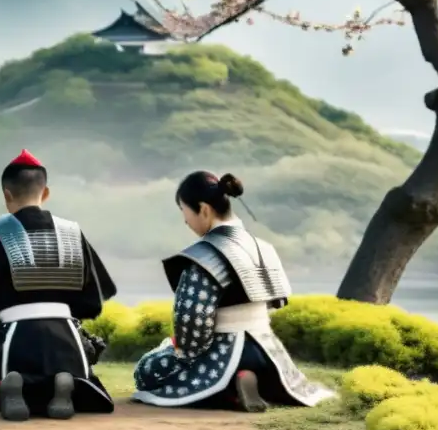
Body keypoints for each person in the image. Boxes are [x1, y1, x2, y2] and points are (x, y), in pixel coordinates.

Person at [131, 170, 335, 411]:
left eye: (185, 212)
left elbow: (193, 326)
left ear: (203, 209)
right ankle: (250, 380)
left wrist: (179, 351)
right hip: (267, 351)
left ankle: (229, 389)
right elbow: (276, 302)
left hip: (224, 351)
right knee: (269, 378)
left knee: (148, 371)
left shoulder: (204, 255)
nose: (185, 221)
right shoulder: (263, 247)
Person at [0, 149, 117, 422]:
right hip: (66, 342)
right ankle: (63, 386)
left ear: (6, 195)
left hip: (15, 338)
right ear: (46, 193)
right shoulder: (73, 232)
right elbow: (92, 304)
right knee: (87, 381)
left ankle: (4, 387)